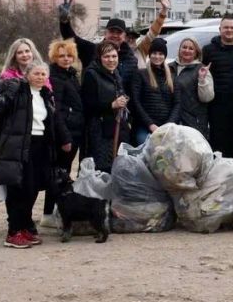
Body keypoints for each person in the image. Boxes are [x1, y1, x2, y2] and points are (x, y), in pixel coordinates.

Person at [0, 61, 69, 249]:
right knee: (17, 189)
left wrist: (63, 140)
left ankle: (25, 226)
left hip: (40, 146)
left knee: (32, 189)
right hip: (18, 146)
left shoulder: (45, 95)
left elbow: (53, 120)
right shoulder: (16, 90)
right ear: (27, 74)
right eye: (36, 73)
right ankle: (13, 232)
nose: (40, 77)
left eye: (43, 74)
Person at [58, 0, 169, 94]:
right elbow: (71, 39)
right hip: (96, 110)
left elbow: (152, 33)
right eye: (112, 31)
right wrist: (64, 22)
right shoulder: (91, 50)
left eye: (119, 32)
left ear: (124, 36)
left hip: (125, 110)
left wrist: (163, 13)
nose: (115, 35)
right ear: (105, 33)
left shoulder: (132, 56)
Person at [42, 39, 85, 227]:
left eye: (69, 55)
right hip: (64, 134)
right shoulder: (55, 78)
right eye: (61, 56)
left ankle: (57, 212)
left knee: (63, 172)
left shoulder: (71, 75)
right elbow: (56, 110)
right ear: (54, 57)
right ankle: (48, 214)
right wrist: (64, 137)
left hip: (74, 130)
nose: (66, 59)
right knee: (58, 174)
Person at [202, 14, 233, 164]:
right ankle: (219, 171)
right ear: (220, 29)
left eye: (232, 27)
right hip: (217, 105)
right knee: (219, 140)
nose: (229, 30)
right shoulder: (209, 50)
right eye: (226, 27)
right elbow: (203, 73)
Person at [81, 41, 130, 172]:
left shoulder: (115, 73)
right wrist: (112, 105)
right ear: (99, 57)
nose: (111, 60)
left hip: (116, 128)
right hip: (99, 131)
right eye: (106, 56)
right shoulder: (91, 74)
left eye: (114, 56)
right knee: (101, 170)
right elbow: (88, 106)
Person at [130, 37, 180, 145]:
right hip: (145, 127)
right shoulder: (140, 74)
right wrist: (150, 125)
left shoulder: (171, 76)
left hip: (166, 127)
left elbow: (177, 103)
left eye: (161, 54)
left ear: (165, 56)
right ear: (149, 54)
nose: (157, 56)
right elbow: (135, 102)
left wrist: (168, 125)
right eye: (154, 53)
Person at [169, 37, 215, 141]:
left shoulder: (202, 69)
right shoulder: (169, 67)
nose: (187, 50)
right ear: (179, 49)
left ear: (196, 52)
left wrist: (202, 80)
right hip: (171, 119)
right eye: (184, 47)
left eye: (191, 48)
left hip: (193, 121)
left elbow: (207, 98)